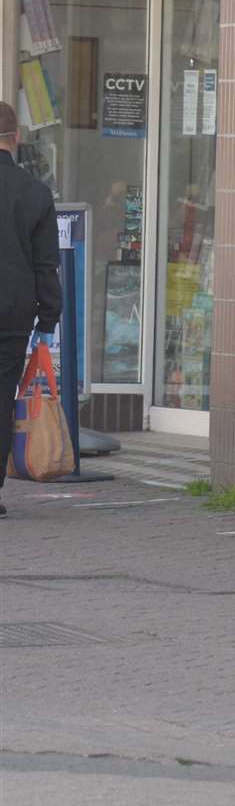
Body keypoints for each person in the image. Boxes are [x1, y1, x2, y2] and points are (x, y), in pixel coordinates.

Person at [0, 102, 63, 517]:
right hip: (13, 310)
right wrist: (49, 317)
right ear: (15, 138)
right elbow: (46, 264)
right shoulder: (36, 193)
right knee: (3, 396)